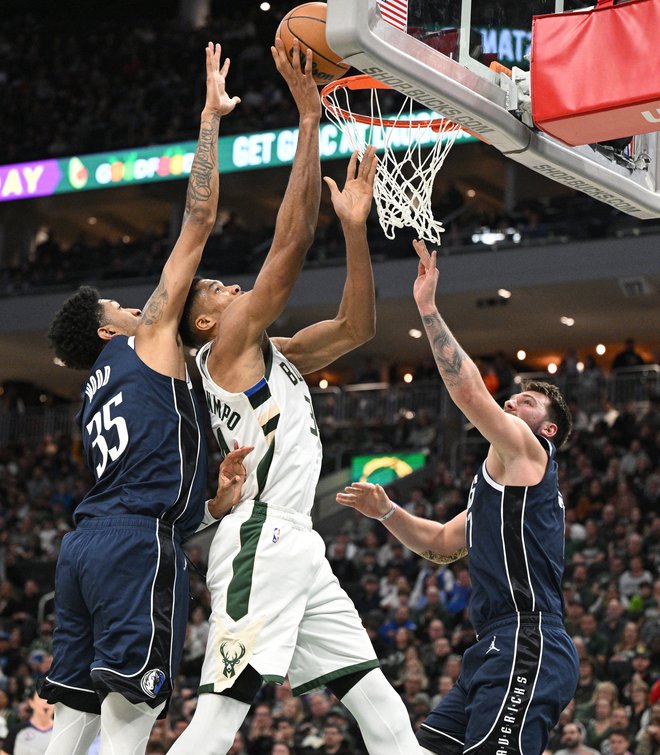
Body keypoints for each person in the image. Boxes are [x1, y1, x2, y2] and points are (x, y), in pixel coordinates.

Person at [170, 38, 422, 755]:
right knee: (221, 713)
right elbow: (285, 249)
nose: (232, 286)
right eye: (218, 289)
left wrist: (354, 232)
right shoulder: (223, 350)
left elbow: (356, 326)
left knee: (382, 709)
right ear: (208, 321)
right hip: (262, 535)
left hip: (295, 543)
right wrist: (309, 121)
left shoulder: (268, 352)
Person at [36, 43, 251, 755]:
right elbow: (198, 221)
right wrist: (210, 121)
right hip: (132, 542)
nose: (139, 307)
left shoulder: (95, 389)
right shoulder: (147, 336)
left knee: (73, 717)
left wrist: (214, 500)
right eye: (123, 306)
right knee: (131, 716)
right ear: (106, 327)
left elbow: (155, 477)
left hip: (86, 545)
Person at [336, 239, 579, 755]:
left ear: (548, 429)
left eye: (527, 401)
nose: (512, 401)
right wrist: (387, 512)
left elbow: (468, 391)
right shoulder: (498, 485)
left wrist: (427, 307)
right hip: (491, 644)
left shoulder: (530, 452)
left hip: (527, 639)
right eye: (513, 396)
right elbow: (445, 543)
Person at [1, 689, 54, 755]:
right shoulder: (16, 730)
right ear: (31, 703)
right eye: (41, 698)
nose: (46, 702)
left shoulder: (61, 732)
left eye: (50, 698)